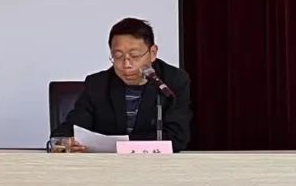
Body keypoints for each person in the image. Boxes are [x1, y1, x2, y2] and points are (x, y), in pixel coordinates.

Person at [51, 17, 192, 151]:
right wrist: (65, 141)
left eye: (134, 55)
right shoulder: (98, 84)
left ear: (153, 52)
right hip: (106, 165)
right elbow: (68, 131)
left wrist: (122, 146)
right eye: (118, 56)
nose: (126, 64)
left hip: (157, 164)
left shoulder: (172, 81)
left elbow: (177, 137)